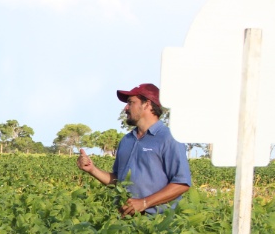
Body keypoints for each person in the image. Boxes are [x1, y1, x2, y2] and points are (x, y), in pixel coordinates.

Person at [77, 83, 191, 216]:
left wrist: (144, 203)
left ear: (147, 104)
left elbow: (182, 183)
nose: (125, 108)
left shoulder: (169, 138)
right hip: (126, 222)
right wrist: (92, 169)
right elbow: (118, 181)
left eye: (130, 103)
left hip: (158, 224)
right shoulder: (126, 140)